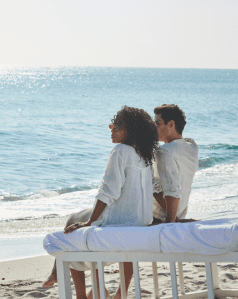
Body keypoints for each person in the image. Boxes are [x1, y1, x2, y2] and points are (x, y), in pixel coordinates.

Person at [43, 106, 159, 299]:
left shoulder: (120, 151)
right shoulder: (145, 155)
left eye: (116, 126)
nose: (111, 129)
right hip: (139, 222)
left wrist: (90, 223)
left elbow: (108, 192)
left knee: (73, 221)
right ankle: (96, 288)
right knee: (85, 218)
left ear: (128, 130)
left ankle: (81, 293)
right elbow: (153, 190)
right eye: (111, 125)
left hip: (119, 222)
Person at [152, 104, 198, 223]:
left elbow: (172, 191)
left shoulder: (164, 152)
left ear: (171, 124)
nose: (153, 128)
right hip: (178, 215)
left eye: (157, 123)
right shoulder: (192, 147)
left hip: (159, 219)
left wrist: (171, 224)